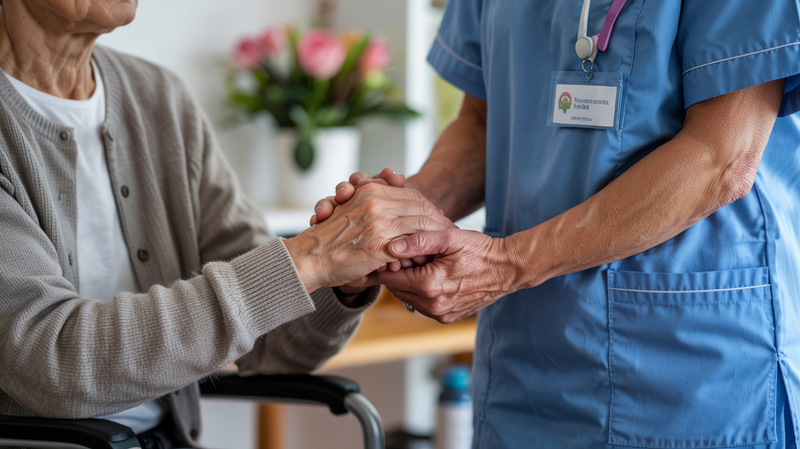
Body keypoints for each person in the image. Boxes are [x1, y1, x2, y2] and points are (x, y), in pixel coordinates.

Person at [316, 0, 800, 447]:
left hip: (683, 363)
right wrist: (394, 223)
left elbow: (722, 157)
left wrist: (507, 263)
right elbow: (483, 122)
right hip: (524, 363)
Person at [0, 0, 453, 446]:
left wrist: (340, 277)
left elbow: (277, 343)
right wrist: (310, 255)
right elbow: (51, 359)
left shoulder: (157, 98)